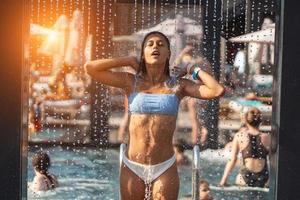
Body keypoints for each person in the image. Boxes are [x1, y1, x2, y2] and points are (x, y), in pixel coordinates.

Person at [85, 31, 224, 200]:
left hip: (164, 167)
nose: (155, 46)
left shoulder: (178, 86)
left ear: (168, 54)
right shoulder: (130, 82)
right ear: (143, 53)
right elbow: (90, 68)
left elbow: (216, 90)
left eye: (160, 44)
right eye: (149, 44)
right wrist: (128, 60)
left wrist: (191, 69)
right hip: (133, 165)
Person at [219, 107, 271, 188]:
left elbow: (232, 159)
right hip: (264, 177)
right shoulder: (267, 137)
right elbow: (274, 161)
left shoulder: (239, 136)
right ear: (261, 121)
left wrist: (223, 180)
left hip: (244, 177)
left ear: (246, 121)